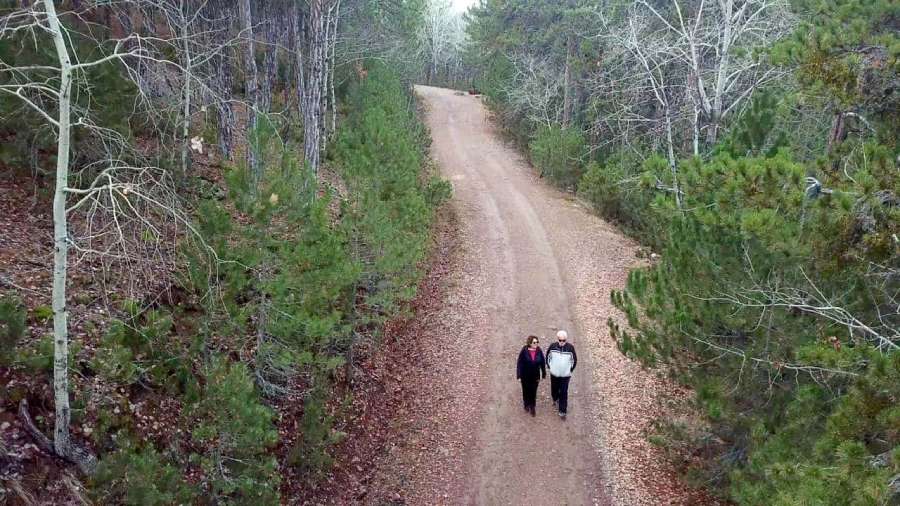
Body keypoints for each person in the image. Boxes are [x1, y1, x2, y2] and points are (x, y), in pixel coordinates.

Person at [546, 329, 577, 419]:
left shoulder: (570, 348)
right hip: (554, 374)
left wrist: (569, 370)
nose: (562, 342)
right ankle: (555, 398)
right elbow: (548, 357)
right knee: (554, 388)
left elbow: (574, 360)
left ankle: (562, 410)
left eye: (564, 340)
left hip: (565, 375)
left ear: (566, 340)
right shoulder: (552, 346)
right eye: (560, 340)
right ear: (557, 339)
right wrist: (550, 367)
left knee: (564, 391)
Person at [516, 335, 546, 417]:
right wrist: (518, 375)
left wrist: (543, 374)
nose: (536, 344)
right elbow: (519, 363)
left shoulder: (539, 350)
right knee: (525, 391)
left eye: (537, 342)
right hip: (525, 376)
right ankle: (526, 404)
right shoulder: (524, 350)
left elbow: (542, 362)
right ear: (530, 343)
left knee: (533, 391)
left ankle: (532, 406)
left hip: (535, 376)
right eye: (534, 342)